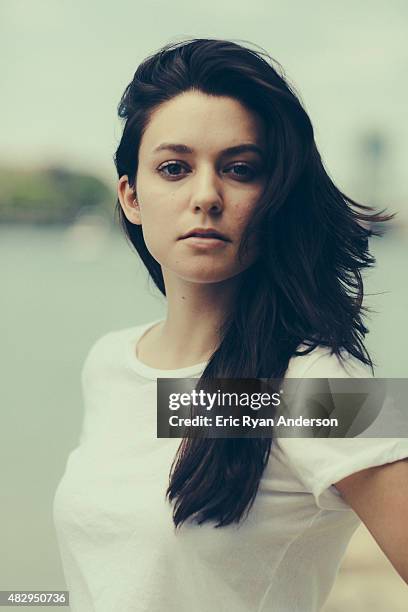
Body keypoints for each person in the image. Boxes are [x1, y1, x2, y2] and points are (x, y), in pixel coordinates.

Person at [53, 38, 408, 611]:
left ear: (276, 196)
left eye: (240, 170)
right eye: (174, 168)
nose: (206, 196)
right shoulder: (109, 360)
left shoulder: (315, 380)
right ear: (131, 196)